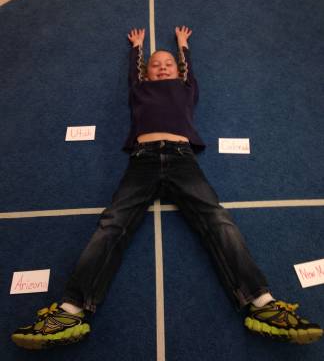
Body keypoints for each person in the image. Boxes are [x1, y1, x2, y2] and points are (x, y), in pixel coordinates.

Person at [11, 26, 323, 350]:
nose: (162, 66)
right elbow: (135, 70)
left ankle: (262, 303)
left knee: (217, 220)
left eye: (169, 64)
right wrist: (137, 49)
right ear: (145, 73)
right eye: (155, 64)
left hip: (181, 158)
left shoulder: (186, 88)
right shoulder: (139, 89)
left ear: (177, 71)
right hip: (142, 160)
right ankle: (70, 310)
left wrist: (184, 46)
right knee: (112, 224)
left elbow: (187, 68)